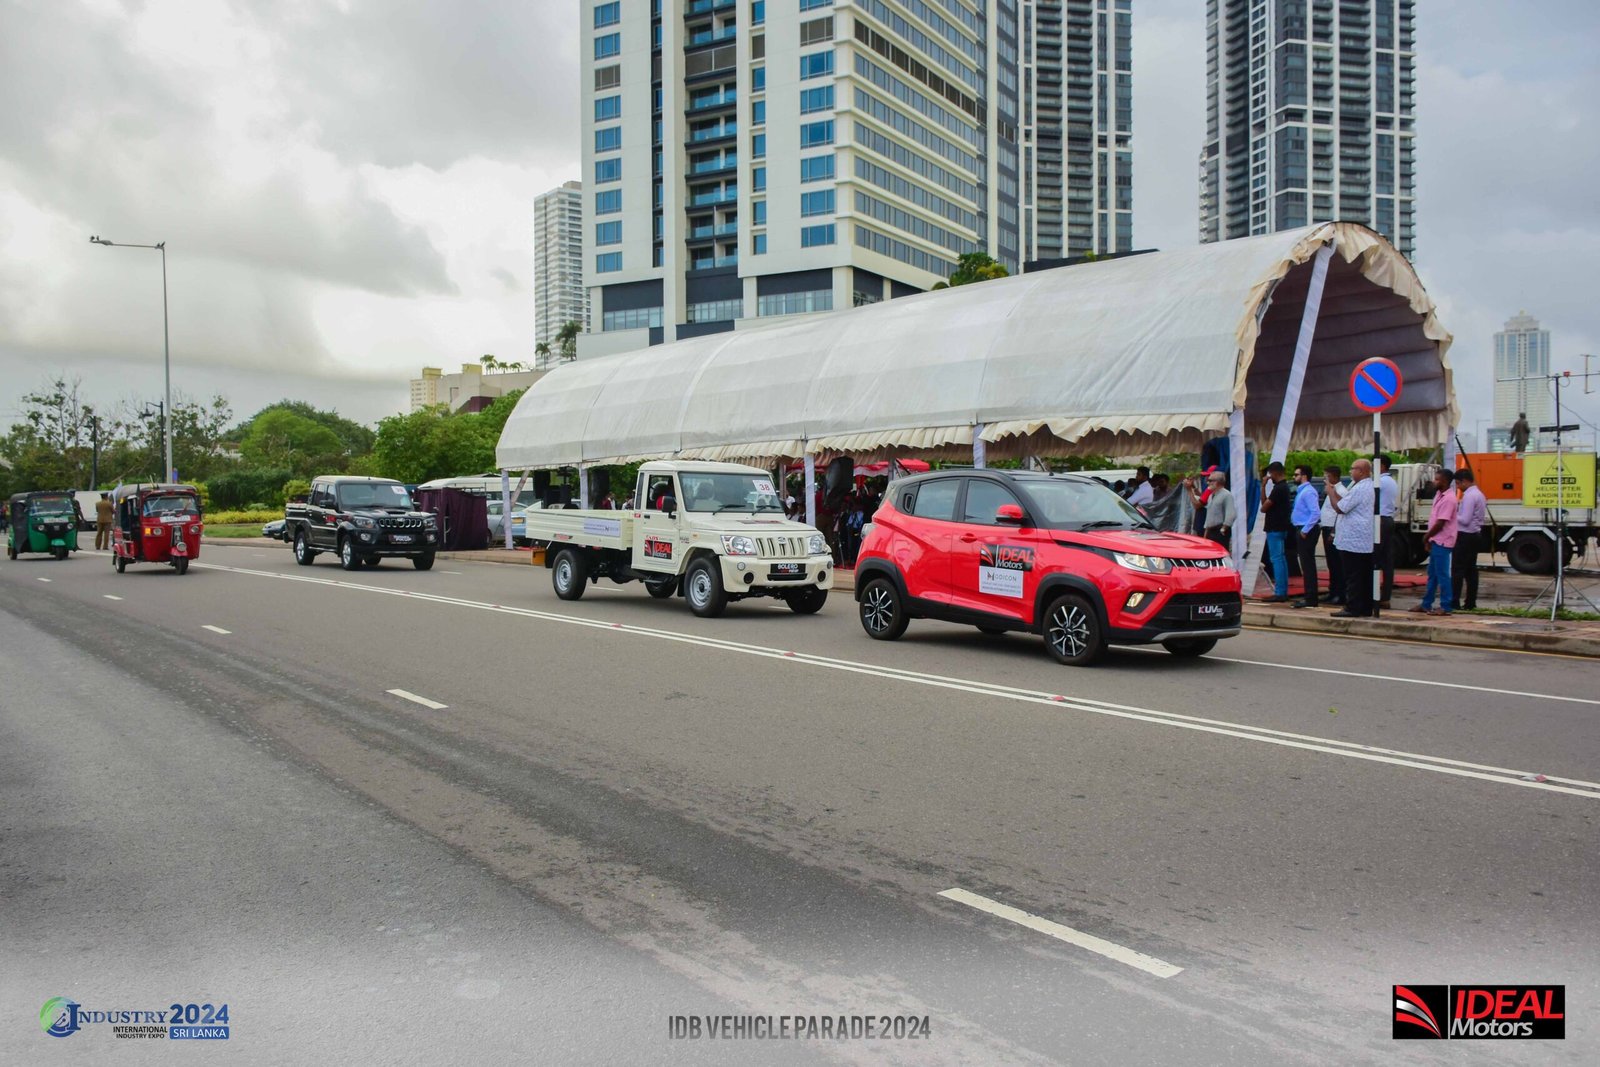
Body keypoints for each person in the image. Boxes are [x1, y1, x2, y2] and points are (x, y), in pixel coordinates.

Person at [1328, 459, 1377, 617]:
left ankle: (1353, 607)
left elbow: (1340, 508)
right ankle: (1364, 607)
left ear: (1361, 471)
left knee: (1353, 575)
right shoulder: (1367, 486)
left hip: (1353, 539)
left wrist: (1330, 493)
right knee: (1363, 575)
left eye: (1352, 469)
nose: (1350, 472)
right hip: (1362, 538)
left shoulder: (1360, 488)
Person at [1417, 467, 1458, 615]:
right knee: (1432, 575)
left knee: (1442, 575)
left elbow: (1441, 522)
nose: (1434, 482)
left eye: (1437, 479)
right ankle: (1426, 604)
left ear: (1445, 481)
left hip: (1443, 541)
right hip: (1436, 540)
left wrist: (1427, 536)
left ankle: (1446, 606)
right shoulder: (1439, 495)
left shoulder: (1449, 499)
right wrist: (1430, 538)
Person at [1452, 468, 1487, 610]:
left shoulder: (1469, 496)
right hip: (1475, 534)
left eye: (1458, 483)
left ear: (1465, 481)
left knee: (1458, 570)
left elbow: (1465, 520)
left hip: (1465, 535)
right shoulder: (1479, 494)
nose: (1458, 487)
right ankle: (1470, 602)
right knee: (1471, 571)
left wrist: (1452, 515)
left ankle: (1454, 602)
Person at [1290, 465, 1322, 608]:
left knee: (1308, 564)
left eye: (1296, 474)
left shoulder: (1308, 492)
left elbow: (1315, 513)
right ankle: (1309, 595)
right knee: (1306, 564)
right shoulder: (1302, 491)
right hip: (1302, 528)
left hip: (1306, 530)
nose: (1294, 477)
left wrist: (1305, 530)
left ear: (1304, 476)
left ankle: (1311, 597)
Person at [1260, 462, 1291, 601]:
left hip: (1275, 527)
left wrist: (1263, 487)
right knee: (1281, 559)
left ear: (1275, 472)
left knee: (1277, 559)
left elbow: (1264, 507)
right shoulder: (1284, 487)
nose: (1270, 477)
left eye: (1270, 474)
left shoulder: (1279, 488)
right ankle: (1282, 590)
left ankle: (1280, 591)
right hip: (1281, 526)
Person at [1318, 466, 1345, 605]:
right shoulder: (1331, 490)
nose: (1325, 480)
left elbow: (1340, 513)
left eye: (1326, 477)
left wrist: (1334, 532)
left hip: (1333, 530)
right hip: (1326, 528)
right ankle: (1333, 591)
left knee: (1336, 564)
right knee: (1331, 563)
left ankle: (1340, 594)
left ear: (1333, 477)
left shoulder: (1340, 491)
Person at [1194, 470, 1236, 550]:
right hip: (1210, 531)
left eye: (1210, 480)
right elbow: (1209, 516)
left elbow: (1231, 514)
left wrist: (1223, 529)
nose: (1208, 483)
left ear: (1218, 482)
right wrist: (1206, 532)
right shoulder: (1211, 495)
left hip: (1219, 530)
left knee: (1220, 552)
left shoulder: (1226, 495)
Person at [1377, 454, 1398, 608]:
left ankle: (1373, 595)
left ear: (1382, 466)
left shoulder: (1380, 481)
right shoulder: (1391, 481)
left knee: (1374, 558)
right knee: (1387, 561)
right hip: (1388, 519)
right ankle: (1385, 596)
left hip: (1380, 520)